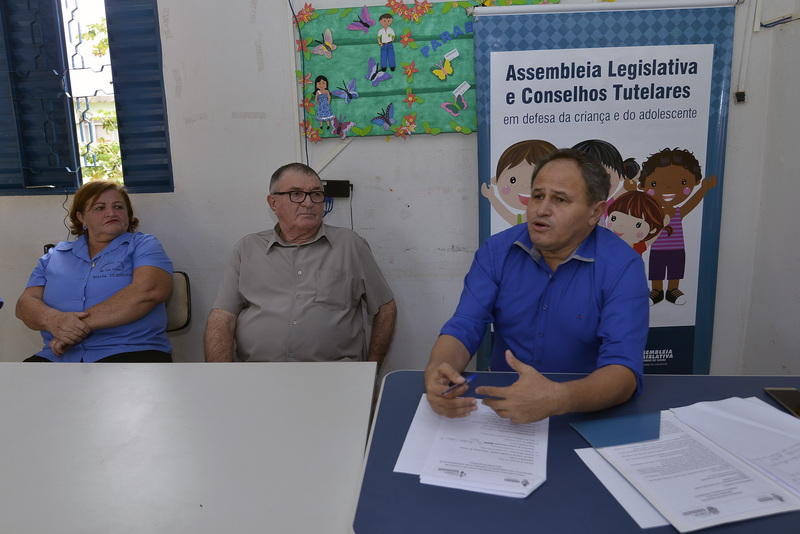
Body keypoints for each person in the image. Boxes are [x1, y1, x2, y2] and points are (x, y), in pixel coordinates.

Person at [425, 148, 649, 424]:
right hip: (505, 408)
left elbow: (624, 371)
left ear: (595, 212)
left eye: (560, 200)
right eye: (538, 196)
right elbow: (465, 325)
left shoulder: (622, 267)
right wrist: (437, 370)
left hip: (583, 408)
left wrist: (557, 398)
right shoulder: (496, 252)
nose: (542, 209)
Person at [204, 163, 396, 368]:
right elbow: (222, 318)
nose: (308, 203)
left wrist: (372, 370)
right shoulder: (247, 248)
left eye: (316, 194)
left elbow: (385, 307)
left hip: (334, 375)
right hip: (259, 374)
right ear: (273, 203)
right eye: (296, 194)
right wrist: (221, 378)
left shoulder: (351, 245)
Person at [16, 180, 174, 362]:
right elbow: (25, 305)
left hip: (130, 351)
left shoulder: (143, 245)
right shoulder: (55, 255)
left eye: (118, 207)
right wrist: (54, 320)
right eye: (100, 208)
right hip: (60, 357)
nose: (111, 213)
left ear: (128, 214)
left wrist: (74, 328)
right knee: (13, 380)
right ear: (81, 217)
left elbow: (148, 292)